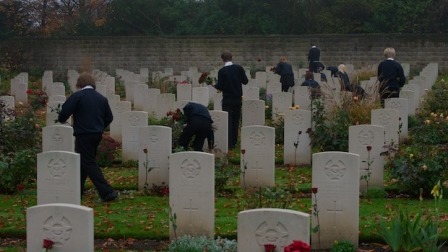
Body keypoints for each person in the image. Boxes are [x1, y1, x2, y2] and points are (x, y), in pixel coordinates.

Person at [58, 72, 118, 202]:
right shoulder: (101, 98)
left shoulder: (77, 96)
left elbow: (64, 113)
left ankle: (107, 192)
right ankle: (77, 189)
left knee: (88, 162)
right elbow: (109, 117)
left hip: (83, 134)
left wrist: (62, 118)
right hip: (96, 134)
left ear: (79, 84)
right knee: (83, 161)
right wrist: (100, 127)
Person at [213, 50, 249, 149]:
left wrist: (213, 85)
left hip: (227, 100)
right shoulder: (239, 68)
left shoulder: (222, 71)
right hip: (237, 99)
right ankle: (234, 141)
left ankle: (229, 143)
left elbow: (220, 87)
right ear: (231, 57)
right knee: (236, 120)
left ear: (222, 59)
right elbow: (245, 81)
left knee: (228, 121)